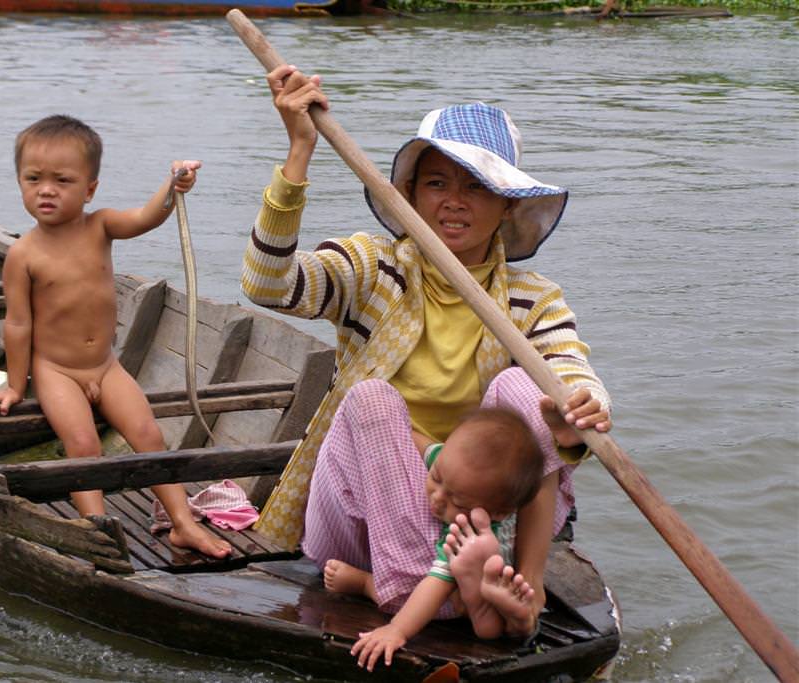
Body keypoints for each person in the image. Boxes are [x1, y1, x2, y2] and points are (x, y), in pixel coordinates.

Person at [241, 65, 613, 648]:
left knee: (530, 393)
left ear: (508, 206)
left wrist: (581, 405)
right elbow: (268, 285)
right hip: (363, 522)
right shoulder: (372, 267)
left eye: (476, 187)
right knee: (370, 399)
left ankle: (528, 585)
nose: (454, 204)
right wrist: (298, 152)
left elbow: (569, 365)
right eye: (437, 184)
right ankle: (416, 589)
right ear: (409, 195)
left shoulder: (532, 296)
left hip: (475, 521)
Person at [0, 114, 231, 559]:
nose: (46, 190)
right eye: (33, 178)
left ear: (90, 189)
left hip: (105, 364)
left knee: (147, 433)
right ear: (20, 182)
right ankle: (96, 529)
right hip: (55, 370)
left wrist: (172, 185)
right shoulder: (23, 253)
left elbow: (146, 217)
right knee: (83, 444)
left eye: (62, 180)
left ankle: (183, 524)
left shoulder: (100, 226)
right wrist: (16, 384)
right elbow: (18, 323)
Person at [321, 401, 546, 672]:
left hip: (467, 566)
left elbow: (435, 583)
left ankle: (366, 583)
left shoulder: (466, 533)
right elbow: (419, 445)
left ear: (499, 513)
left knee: (445, 573)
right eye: (436, 477)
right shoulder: (464, 473)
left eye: (457, 502)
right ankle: (502, 610)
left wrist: (396, 630)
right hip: (497, 573)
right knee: (489, 627)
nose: (438, 499)